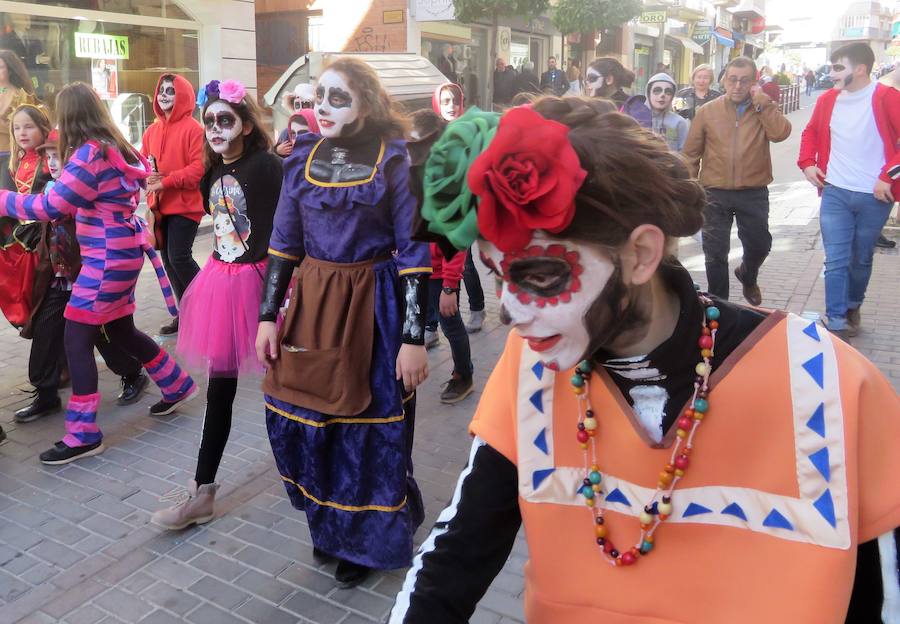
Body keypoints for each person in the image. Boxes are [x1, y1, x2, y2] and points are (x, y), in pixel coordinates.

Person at [387, 94, 900, 624]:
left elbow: (880, 596)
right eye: (497, 277)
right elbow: (458, 551)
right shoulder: (535, 365)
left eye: (539, 277)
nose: (512, 312)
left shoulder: (822, 379)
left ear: (641, 255)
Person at [255, 56, 430, 589]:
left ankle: (366, 539)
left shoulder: (395, 161)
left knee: (367, 427)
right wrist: (268, 316)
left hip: (374, 309)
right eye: (317, 97)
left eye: (337, 97)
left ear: (366, 103)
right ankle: (329, 524)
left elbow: (415, 252)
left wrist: (413, 338)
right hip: (313, 307)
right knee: (304, 416)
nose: (323, 108)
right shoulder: (301, 159)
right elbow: (283, 243)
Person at [0, 82, 198, 465]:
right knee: (122, 329)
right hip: (119, 253)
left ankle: (83, 433)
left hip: (106, 258)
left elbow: (52, 204)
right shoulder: (113, 147)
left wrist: (4, 198)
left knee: (76, 336)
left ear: (69, 115)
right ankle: (176, 385)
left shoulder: (89, 154)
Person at [151, 80, 284, 529]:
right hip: (222, 285)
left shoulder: (267, 166)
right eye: (209, 121)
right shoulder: (211, 171)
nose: (215, 128)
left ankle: (318, 477)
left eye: (225, 120)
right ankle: (202, 491)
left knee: (289, 386)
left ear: (246, 125)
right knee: (219, 391)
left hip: (266, 286)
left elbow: (290, 224)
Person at [11, 116, 147, 424]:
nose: (53, 161)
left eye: (59, 155)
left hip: (90, 275)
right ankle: (46, 395)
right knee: (45, 331)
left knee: (108, 333)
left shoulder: (84, 185)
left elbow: (56, 209)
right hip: (58, 277)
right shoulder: (48, 184)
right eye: (49, 156)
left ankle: (131, 374)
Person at [797, 42, 900, 340]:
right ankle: (837, 319)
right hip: (835, 192)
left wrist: (886, 177)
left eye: (837, 67)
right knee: (836, 259)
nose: (830, 73)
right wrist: (807, 164)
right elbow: (811, 133)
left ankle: (854, 304)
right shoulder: (828, 99)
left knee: (861, 257)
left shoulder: (887, 98)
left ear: (860, 69)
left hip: (875, 196)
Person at [683, 56, 791, 305]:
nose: (737, 86)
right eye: (732, 80)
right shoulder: (707, 111)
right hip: (714, 192)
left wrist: (763, 103)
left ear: (754, 82)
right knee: (715, 254)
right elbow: (690, 154)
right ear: (723, 80)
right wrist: (689, 190)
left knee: (760, 245)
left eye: (744, 81)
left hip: (753, 191)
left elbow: (781, 133)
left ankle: (747, 275)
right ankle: (720, 307)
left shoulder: (762, 107)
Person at [140, 73, 204, 337]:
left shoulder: (194, 129)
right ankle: (186, 314)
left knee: (179, 257)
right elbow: (142, 164)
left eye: (170, 91)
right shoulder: (151, 130)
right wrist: (146, 177)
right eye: (161, 90)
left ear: (183, 95)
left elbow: (199, 168)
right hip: (160, 209)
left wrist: (165, 181)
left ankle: (206, 306)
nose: (164, 95)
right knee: (169, 261)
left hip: (186, 207)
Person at [621, 72, 689, 152]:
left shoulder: (679, 122)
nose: (662, 95)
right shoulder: (636, 119)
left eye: (668, 92)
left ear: (672, 96)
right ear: (648, 93)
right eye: (657, 91)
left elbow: (684, 154)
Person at [0, 50, 38, 193]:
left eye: (1, 67)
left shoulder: (18, 94)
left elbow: (25, 125)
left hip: (8, 153)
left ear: (9, 70)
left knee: (6, 195)